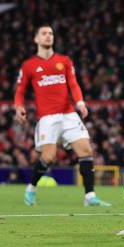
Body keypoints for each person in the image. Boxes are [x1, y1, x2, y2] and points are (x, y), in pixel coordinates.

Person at [14, 25, 110, 206]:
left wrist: (80, 102)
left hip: (68, 114)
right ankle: (31, 188)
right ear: (36, 39)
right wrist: (19, 107)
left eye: (51, 33)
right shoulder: (29, 65)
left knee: (86, 151)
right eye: (44, 33)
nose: (48, 36)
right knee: (48, 157)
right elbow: (20, 89)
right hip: (47, 117)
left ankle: (89, 196)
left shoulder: (64, 60)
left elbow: (73, 84)